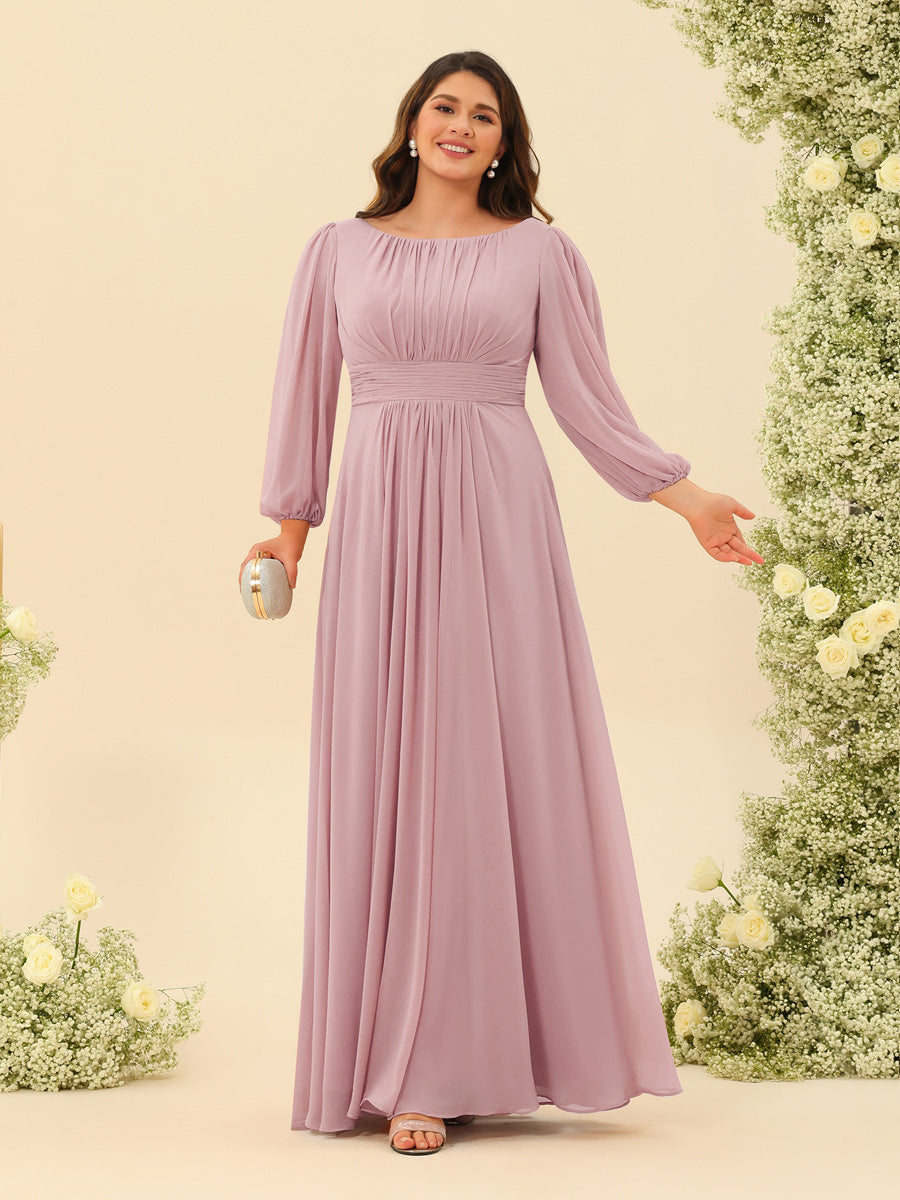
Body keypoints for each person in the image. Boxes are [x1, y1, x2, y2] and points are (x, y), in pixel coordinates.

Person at [239, 50, 764, 1156]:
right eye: (446, 106)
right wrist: (287, 533)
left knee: (488, 772)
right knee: (394, 775)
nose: (462, 126)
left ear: (504, 144)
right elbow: (305, 397)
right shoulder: (337, 249)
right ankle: (399, 1063)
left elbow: (587, 402)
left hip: (498, 520)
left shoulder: (539, 254)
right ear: (412, 122)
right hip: (380, 531)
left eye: (485, 116)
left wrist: (687, 499)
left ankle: (451, 1064)